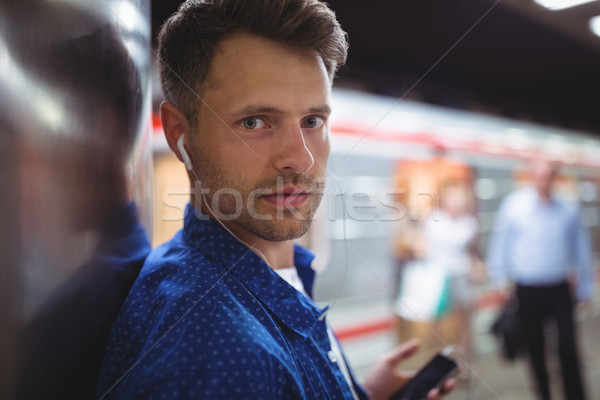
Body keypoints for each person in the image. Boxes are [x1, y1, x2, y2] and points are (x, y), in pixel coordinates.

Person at [96, 1, 455, 399]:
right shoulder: (213, 352)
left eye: (312, 121)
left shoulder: (270, 278)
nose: (300, 158)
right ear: (180, 135)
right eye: (255, 122)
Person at [13, 25, 151, 400]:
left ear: (100, 131)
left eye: (46, 134)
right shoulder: (153, 276)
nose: (36, 163)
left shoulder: (68, 326)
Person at [486, 159, 594, 400]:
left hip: (560, 288)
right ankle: (543, 394)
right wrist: (499, 280)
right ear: (531, 176)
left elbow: (582, 250)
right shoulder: (514, 206)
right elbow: (500, 245)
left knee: (567, 347)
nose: (543, 180)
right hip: (527, 290)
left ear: (554, 177)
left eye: (548, 175)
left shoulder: (569, 206)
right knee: (534, 349)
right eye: (539, 175)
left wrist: (586, 290)